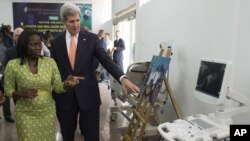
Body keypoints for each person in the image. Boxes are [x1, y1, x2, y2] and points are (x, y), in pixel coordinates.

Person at [50, 3, 140, 141]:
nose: (76, 25)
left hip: (88, 95)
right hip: (65, 97)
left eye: (78, 20)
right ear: (64, 22)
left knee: (92, 136)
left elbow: (105, 59)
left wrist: (122, 77)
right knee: (66, 135)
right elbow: (52, 69)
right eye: (71, 21)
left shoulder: (91, 39)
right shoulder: (56, 42)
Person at [4, 30, 83, 141]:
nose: (38, 47)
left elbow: (57, 87)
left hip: (47, 113)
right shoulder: (13, 65)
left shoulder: (49, 63)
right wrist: (21, 93)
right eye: (33, 44)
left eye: (40, 43)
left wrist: (66, 84)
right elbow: (8, 90)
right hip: (25, 114)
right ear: (24, 46)